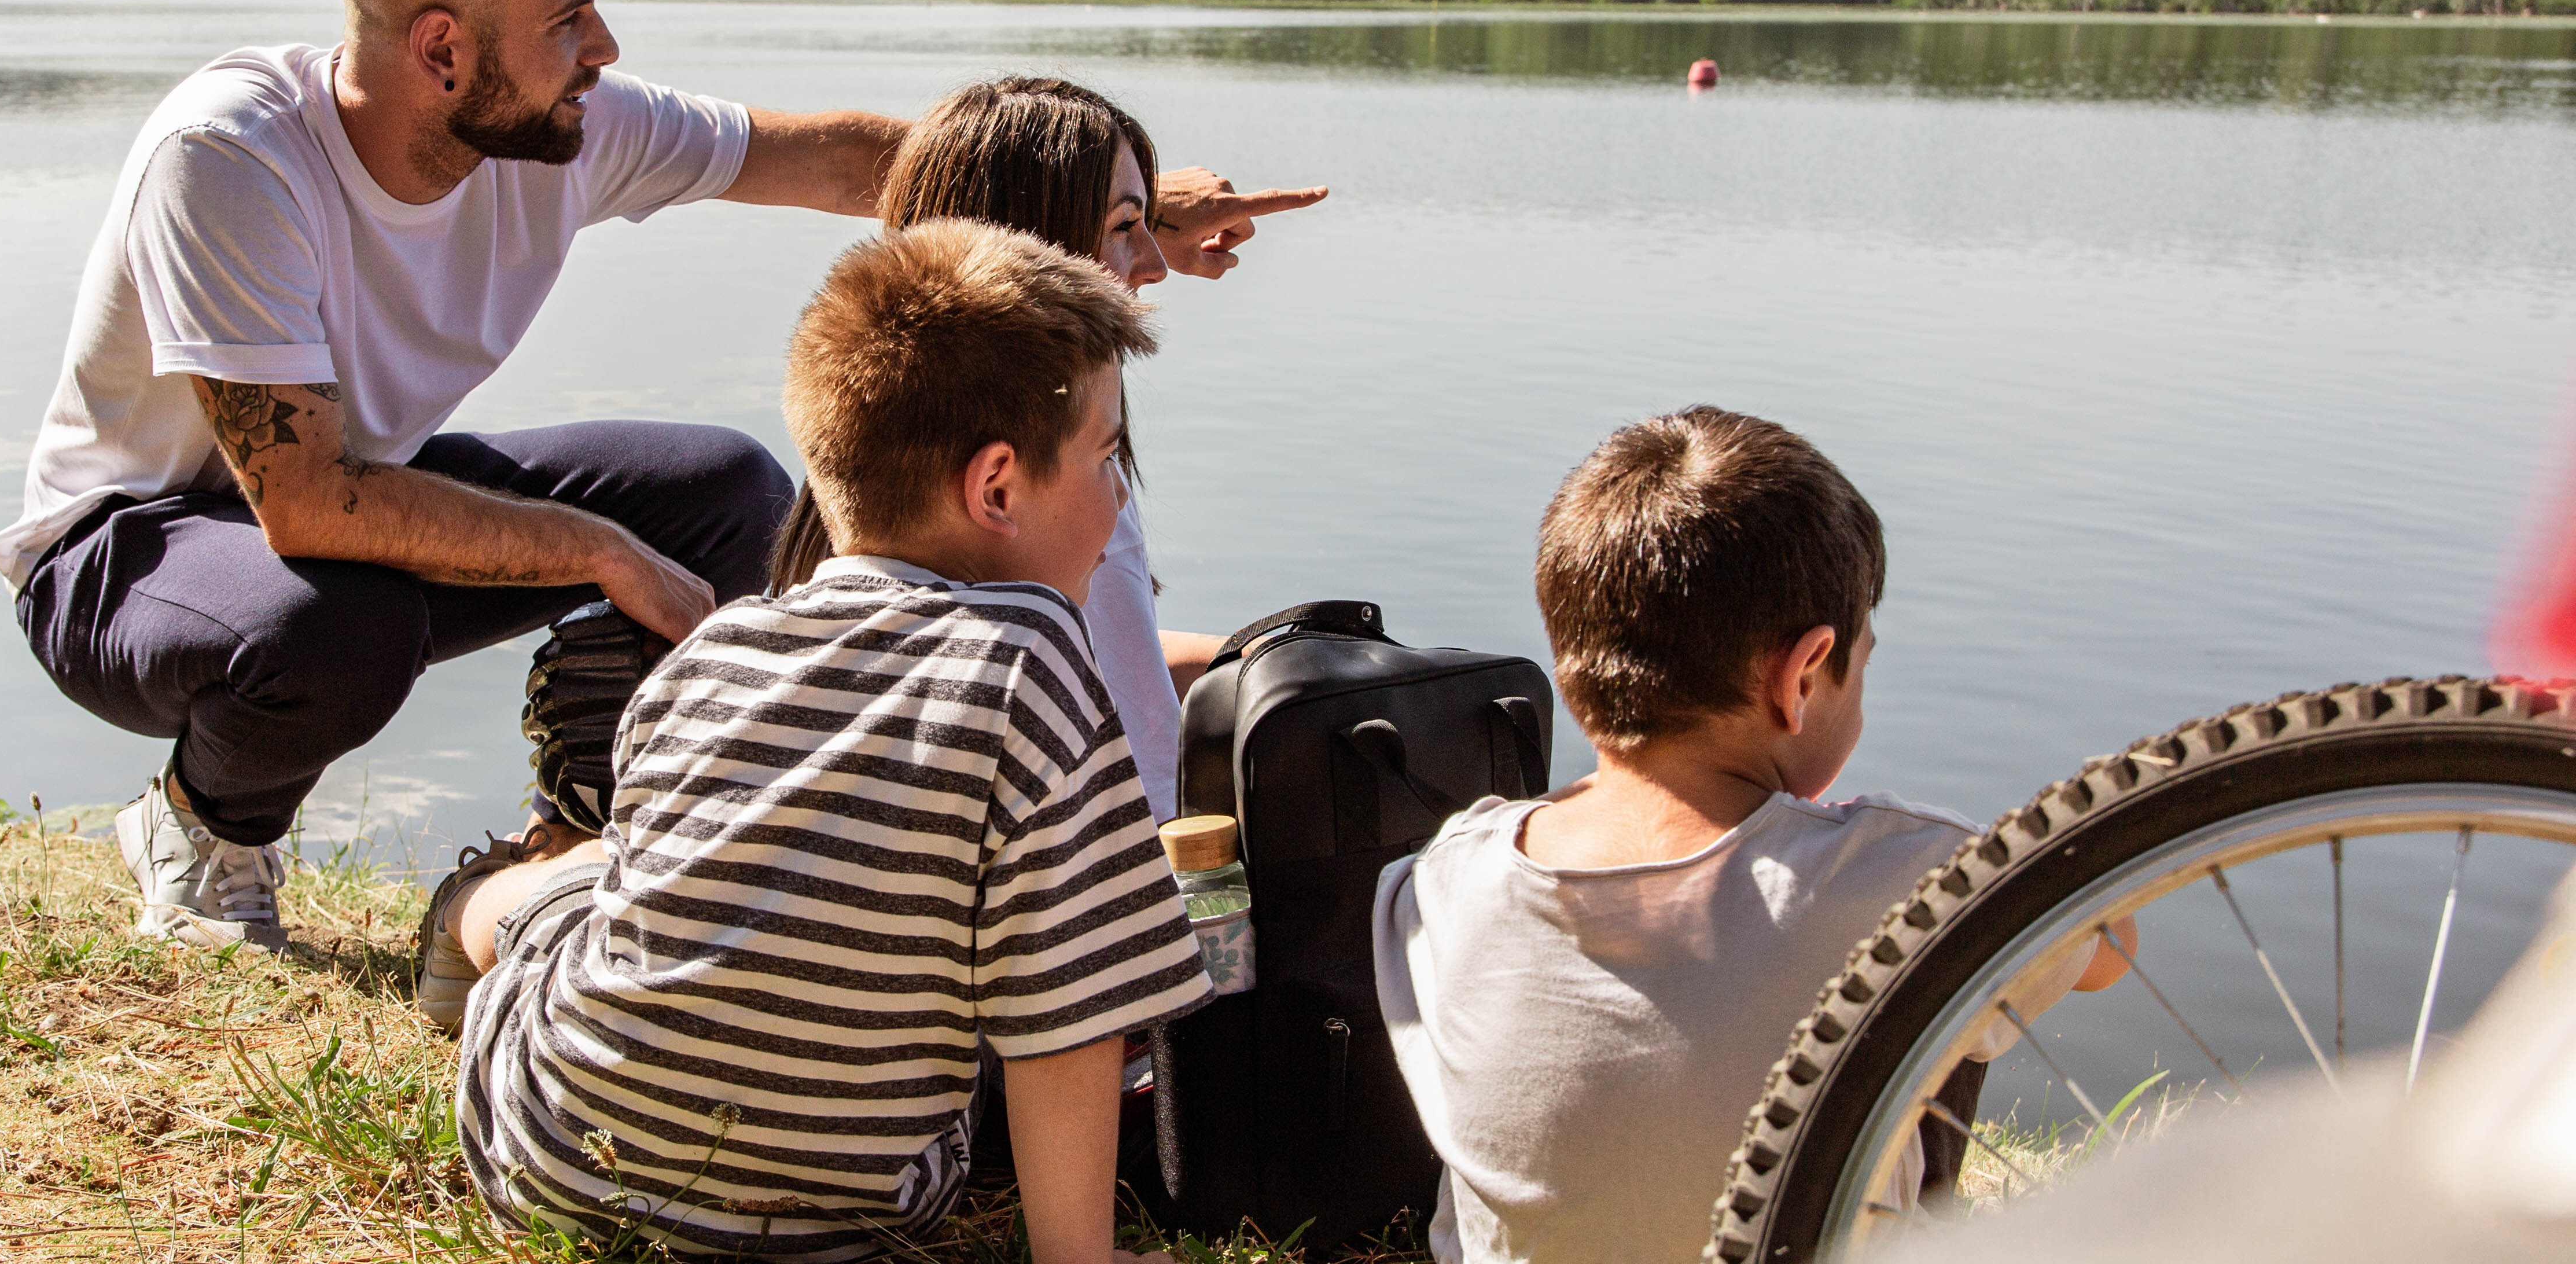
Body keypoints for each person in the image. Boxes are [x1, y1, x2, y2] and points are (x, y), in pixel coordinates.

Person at [0, 0, 1312, 953]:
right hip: (130, 548)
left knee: (727, 490)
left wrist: (1107, 207)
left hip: (347, 497)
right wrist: (604, 553)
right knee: (339, 619)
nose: (603, 48)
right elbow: (306, 502)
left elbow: (849, 163)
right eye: (567, 20)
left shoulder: (565, 127)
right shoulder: (231, 157)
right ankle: (205, 828)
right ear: (442, 47)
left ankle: (605, 827)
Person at [436, 220, 1212, 1264]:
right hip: (836, 1222)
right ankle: (473, 902)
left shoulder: (713, 650)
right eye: (1106, 457)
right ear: (997, 486)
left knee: (582, 891)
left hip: (560, 1163)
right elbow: (1069, 1015)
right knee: (563, 897)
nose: (1120, 494)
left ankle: (474, 902)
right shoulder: (1033, 657)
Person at [1371, 406, 2135, 1264]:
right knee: (1941, 986)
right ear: (1802, 674)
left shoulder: (1444, 877)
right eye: (1862, 662)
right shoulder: (1908, 874)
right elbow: (2110, 946)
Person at [763, 75, 1323, 822]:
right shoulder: (1040, 483)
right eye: (1125, 226)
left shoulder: (896, 465)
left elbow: (1104, 655)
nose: (1154, 264)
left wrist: (1259, 657)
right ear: (1033, 245)